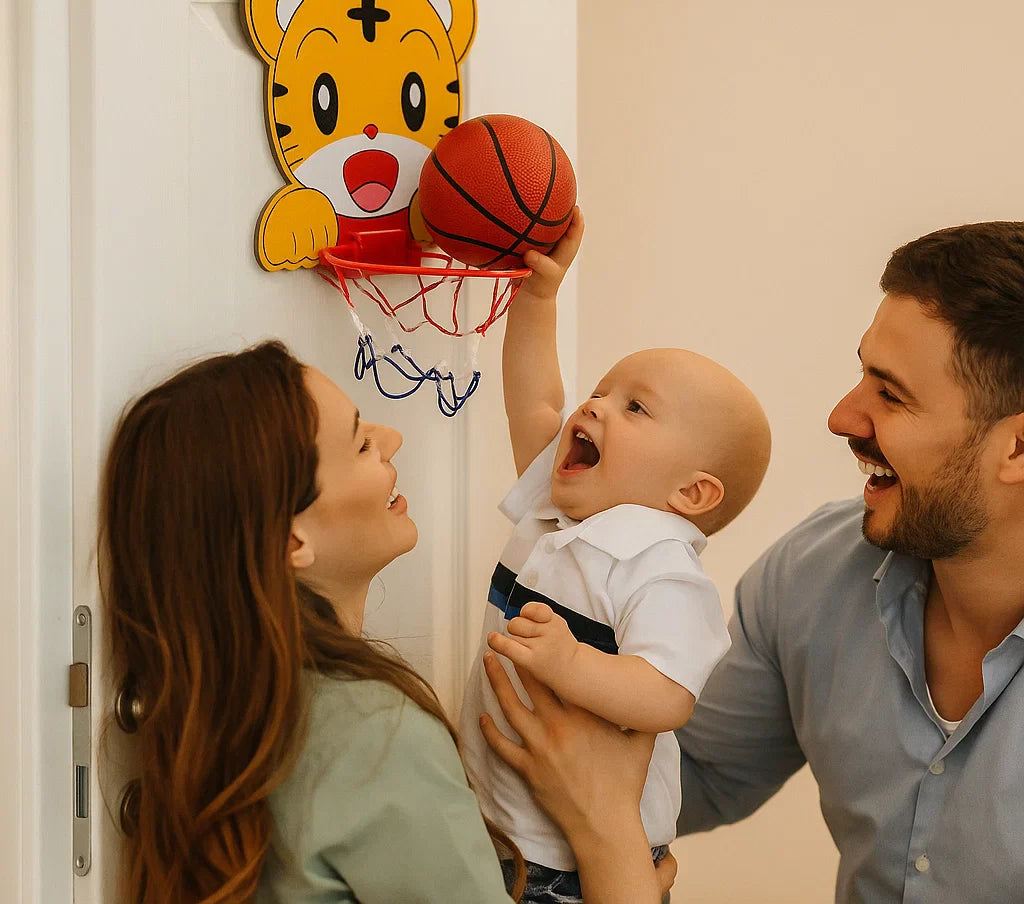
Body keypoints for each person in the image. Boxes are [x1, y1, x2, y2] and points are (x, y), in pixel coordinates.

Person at [99, 341, 677, 904]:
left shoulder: (226, 715)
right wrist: (617, 854)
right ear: (292, 539)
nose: (393, 438)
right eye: (359, 443)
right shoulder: (373, 736)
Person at [674, 220, 1024, 902]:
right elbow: (698, 776)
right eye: (862, 373)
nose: (842, 416)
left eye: (890, 395)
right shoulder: (813, 573)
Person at [459, 209, 772, 903]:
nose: (593, 407)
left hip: (566, 862)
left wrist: (572, 662)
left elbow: (666, 695)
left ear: (691, 492)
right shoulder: (561, 508)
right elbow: (538, 404)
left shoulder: (660, 569)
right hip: (496, 821)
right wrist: (538, 300)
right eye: (601, 391)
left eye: (636, 409)